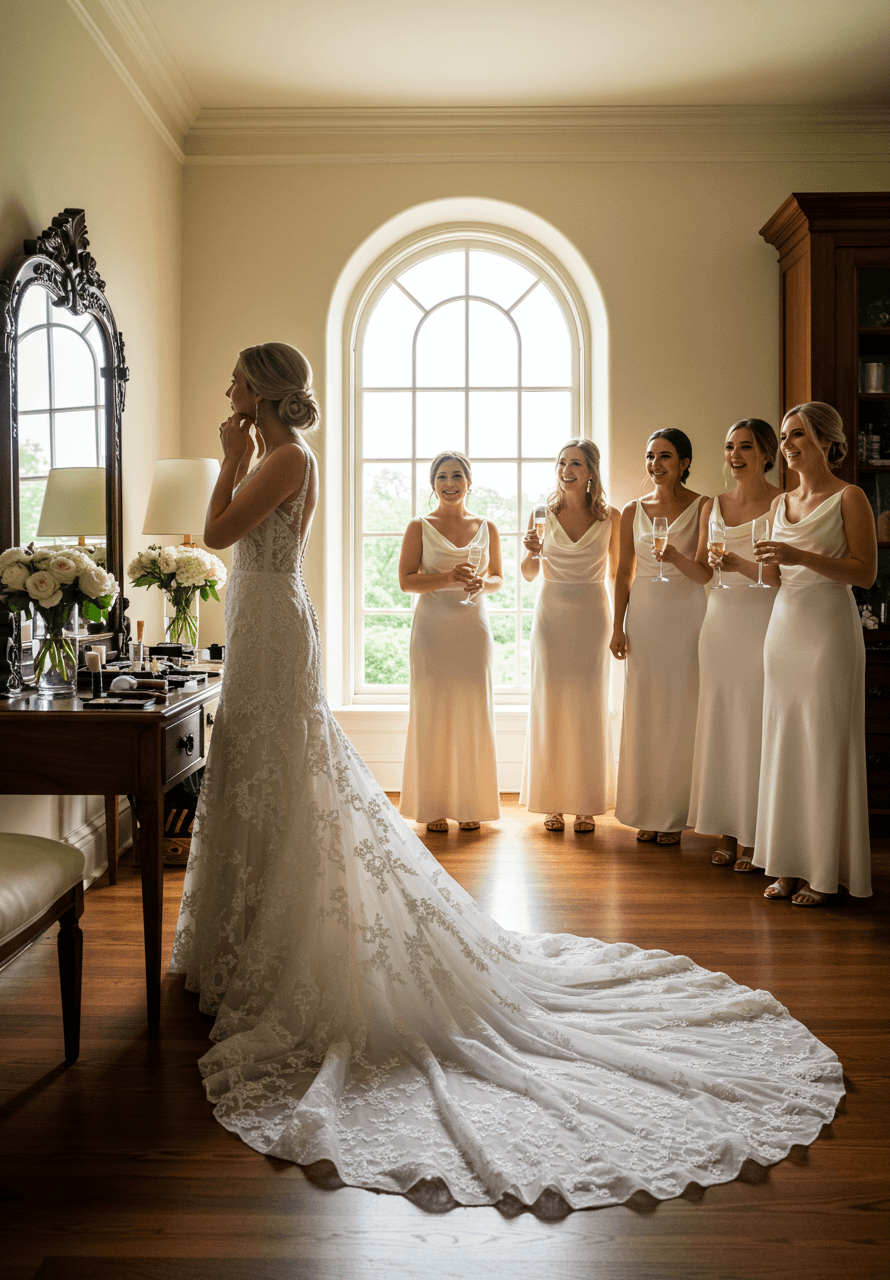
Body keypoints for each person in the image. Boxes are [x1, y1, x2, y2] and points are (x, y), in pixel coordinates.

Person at [170, 348, 843, 1212]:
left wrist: (229, 458)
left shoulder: (287, 457)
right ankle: (245, 932)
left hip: (271, 621)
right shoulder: (281, 459)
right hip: (265, 619)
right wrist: (235, 460)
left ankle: (283, 940)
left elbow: (221, 535)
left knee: (282, 767)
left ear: (258, 392)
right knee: (259, 772)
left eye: (234, 381)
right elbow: (249, 546)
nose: (226, 392)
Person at [752, 402, 876, 905]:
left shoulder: (850, 497)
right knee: (784, 744)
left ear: (826, 440)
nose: (787, 444)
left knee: (823, 744)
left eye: (798, 434)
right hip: (784, 628)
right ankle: (787, 864)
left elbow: (864, 573)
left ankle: (823, 871)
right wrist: (760, 566)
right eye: (784, 436)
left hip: (828, 631)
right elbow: (775, 579)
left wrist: (799, 554)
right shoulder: (779, 505)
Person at [682, 420, 781, 870]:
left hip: (762, 621)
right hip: (718, 624)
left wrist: (738, 562)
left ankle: (758, 833)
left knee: (756, 725)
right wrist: (677, 560)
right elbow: (704, 572)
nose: (735, 455)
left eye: (746, 446)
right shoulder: (713, 506)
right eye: (728, 447)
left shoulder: (783, 503)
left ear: (766, 453)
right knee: (723, 725)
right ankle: (726, 827)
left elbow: (779, 577)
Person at [611, 430, 708, 844]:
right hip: (646, 616)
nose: (655, 465)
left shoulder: (704, 506)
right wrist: (618, 625)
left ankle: (674, 816)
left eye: (665, 456)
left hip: (687, 615)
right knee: (645, 709)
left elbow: (705, 572)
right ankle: (645, 811)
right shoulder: (633, 510)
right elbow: (623, 573)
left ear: (684, 462)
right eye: (650, 456)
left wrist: (676, 557)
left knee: (682, 713)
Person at [397, 452, 502, 831]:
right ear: (433, 485)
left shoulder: (487, 526)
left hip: (472, 629)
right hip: (432, 631)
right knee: (433, 712)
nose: (450, 483)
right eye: (442, 477)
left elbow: (498, 579)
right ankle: (433, 807)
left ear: (469, 482)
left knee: (472, 711)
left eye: (457, 476)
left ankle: (470, 803)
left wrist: (481, 584)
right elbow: (407, 581)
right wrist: (447, 578)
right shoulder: (419, 525)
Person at [519, 439, 619, 832]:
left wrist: (620, 623)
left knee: (588, 704)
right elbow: (528, 574)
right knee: (552, 702)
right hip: (552, 616)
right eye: (562, 462)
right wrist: (531, 552)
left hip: (593, 615)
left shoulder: (611, 518)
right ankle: (552, 801)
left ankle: (586, 804)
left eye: (575, 463)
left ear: (591, 471)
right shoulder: (541, 513)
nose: (567, 470)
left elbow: (615, 575)